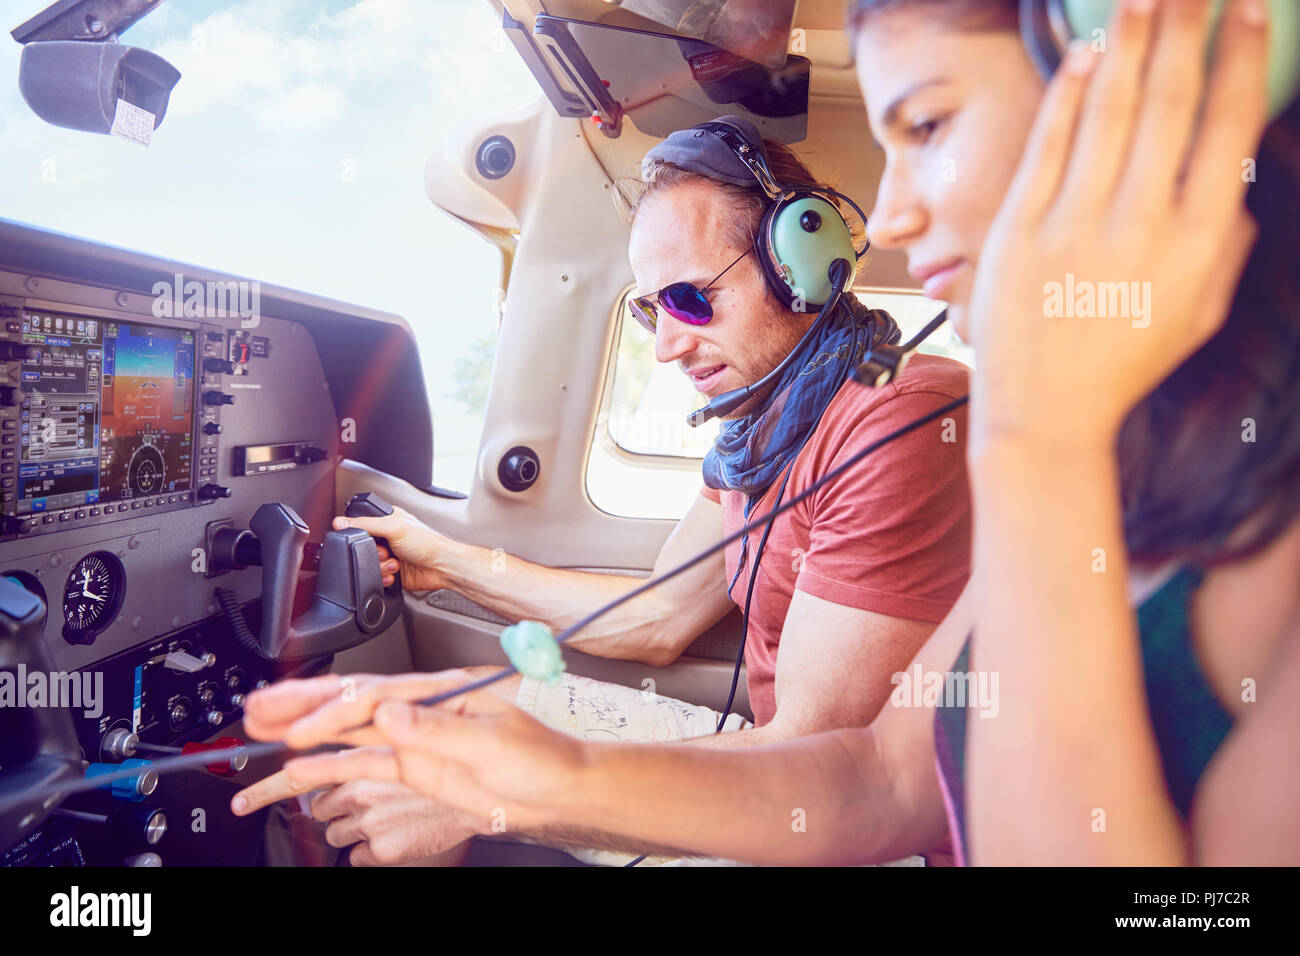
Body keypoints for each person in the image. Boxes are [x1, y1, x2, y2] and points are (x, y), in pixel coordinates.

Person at [239, 0, 1300, 864]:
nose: (891, 219)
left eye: (928, 126)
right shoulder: (775, 432)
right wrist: (475, 630)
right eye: (652, 312)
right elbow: (864, 762)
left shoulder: (928, 421)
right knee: (493, 709)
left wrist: (1034, 433)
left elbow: (836, 768)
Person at [232, 116, 972, 865]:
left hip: (856, 825)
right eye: (653, 309)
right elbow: (656, 617)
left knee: (457, 774)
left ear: (801, 261)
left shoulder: (900, 422)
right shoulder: (759, 434)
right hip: (791, 768)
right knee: (450, 715)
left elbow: (824, 785)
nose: (668, 345)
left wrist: (488, 800)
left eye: (689, 298)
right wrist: (450, 562)